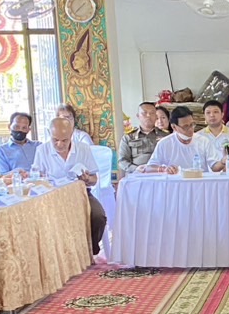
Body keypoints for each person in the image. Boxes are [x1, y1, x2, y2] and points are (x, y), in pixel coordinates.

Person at [34, 117, 107, 255]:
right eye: (55, 140)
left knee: (98, 216)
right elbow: (36, 179)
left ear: (71, 134)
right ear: (49, 134)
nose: (60, 144)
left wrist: (87, 179)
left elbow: (94, 180)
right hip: (53, 196)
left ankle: (89, 251)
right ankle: (61, 255)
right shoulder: (42, 150)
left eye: (64, 140)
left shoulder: (83, 149)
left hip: (80, 193)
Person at [150, 106, 205, 172]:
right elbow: (150, 167)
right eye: (185, 126)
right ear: (174, 127)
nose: (190, 129)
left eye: (192, 125)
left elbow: (213, 165)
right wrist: (164, 169)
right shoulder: (164, 144)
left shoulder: (203, 141)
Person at [118, 100, 167, 174]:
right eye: (144, 113)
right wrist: (136, 169)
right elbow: (122, 161)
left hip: (160, 174)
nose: (148, 116)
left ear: (156, 116)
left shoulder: (165, 136)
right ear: (138, 116)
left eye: (152, 113)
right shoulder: (128, 138)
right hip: (137, 175)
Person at [195, 99, 229, 170]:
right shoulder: (198, 136)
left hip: (228, 174)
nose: (212, 115)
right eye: (208, 113)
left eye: (215, 112)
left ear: (222, 114)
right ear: (204, 116)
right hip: (206, 175)